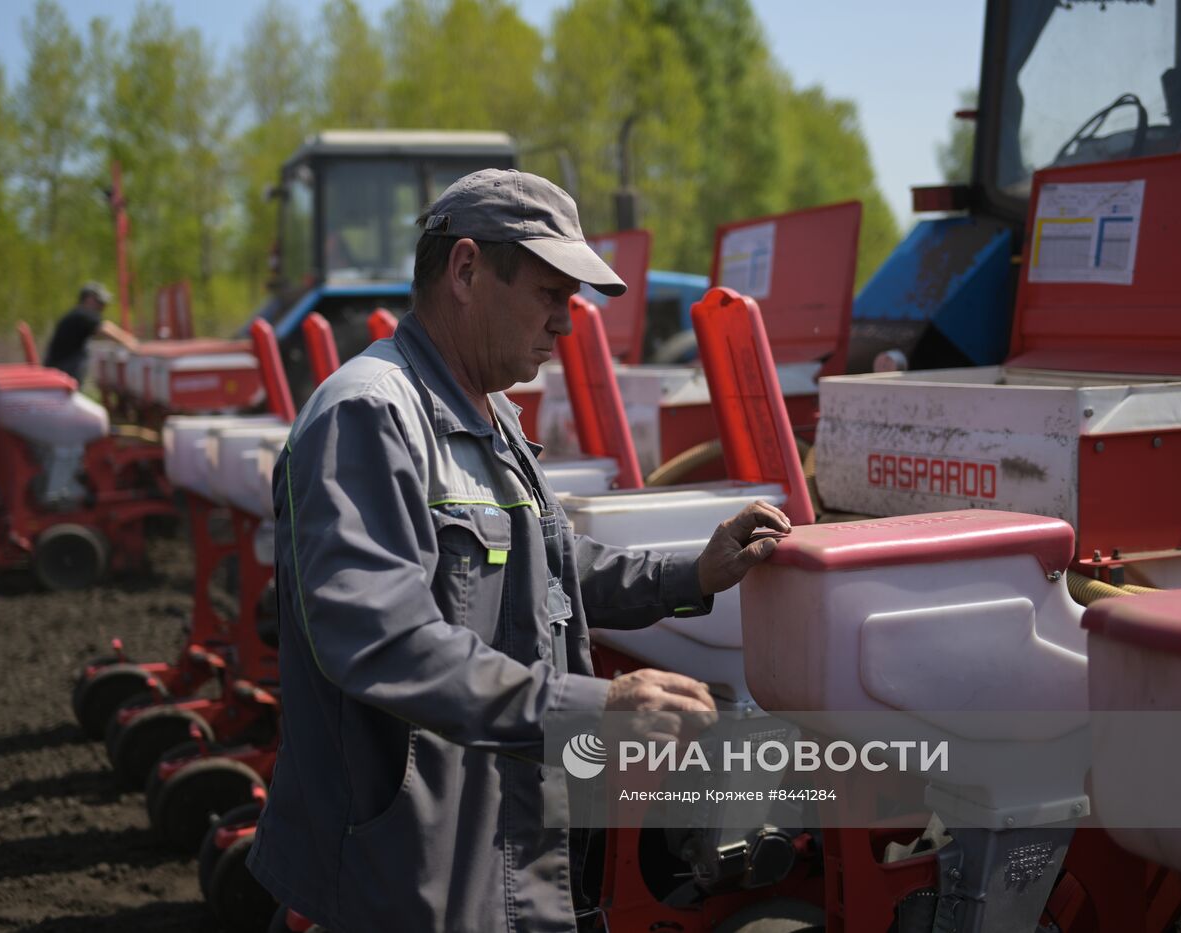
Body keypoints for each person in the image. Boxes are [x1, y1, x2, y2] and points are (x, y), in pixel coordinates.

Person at [249, 169, 791, 932]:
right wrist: (590, 705)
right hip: (410, 873)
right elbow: (381, 640)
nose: (566, 325)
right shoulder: (369, 415)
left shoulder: (492, 414)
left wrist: (693, 573)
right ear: (466, 270)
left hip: (500, 849)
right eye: (550, 294)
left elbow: (552, 568)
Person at [42, 281, 138, 382]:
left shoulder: (78, 316)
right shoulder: (82, 314)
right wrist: (131, 342)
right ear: (90, 299)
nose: (102, 308)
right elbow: (105, 328)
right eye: (100, 303)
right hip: (61, 374)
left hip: (59, 373)